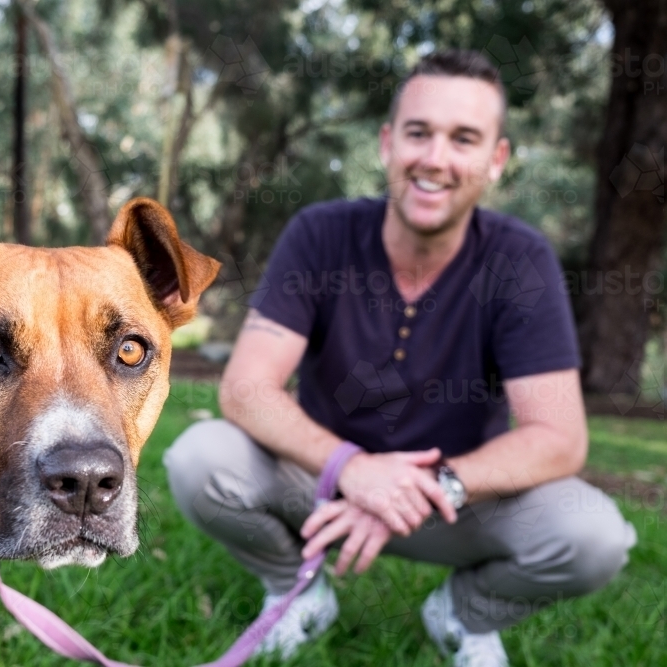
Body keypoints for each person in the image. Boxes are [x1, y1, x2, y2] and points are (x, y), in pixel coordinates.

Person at [163, 50, 636, 667]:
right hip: (324, 485)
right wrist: (353, 470)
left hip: (454, 499)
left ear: (496, 160)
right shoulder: (319, 234)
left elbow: (560, 439)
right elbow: (246, 388)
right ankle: (295, 592)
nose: (435, 158)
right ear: (388, 143)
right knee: (199, 459)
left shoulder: (521, 261)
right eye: (419, 132)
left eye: (464, 138)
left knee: (596, 536)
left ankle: (464, 614)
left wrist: (432, 484)